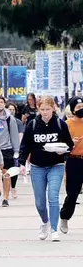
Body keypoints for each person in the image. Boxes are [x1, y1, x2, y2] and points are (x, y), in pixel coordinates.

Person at [19, 96, 74, 242]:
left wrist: (64, 151)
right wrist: (21, 163)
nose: (45, 113)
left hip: (56, 165)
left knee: (53, 197)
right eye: (42, 109)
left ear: (53, 108)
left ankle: (54, 230)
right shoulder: (32, 125)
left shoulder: (60, 124)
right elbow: (25, 146)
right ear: (38, 109)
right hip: (37, 166)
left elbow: (69, 144)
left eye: (48, 109)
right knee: (40, 202)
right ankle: (45, 222)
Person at [0, 95, 20, 207]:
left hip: (7, 149)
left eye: (1, 102)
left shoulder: (10, 118)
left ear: (4, 104)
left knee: (6, 175)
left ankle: (5, 198)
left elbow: (14, 135)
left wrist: (16, 151)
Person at [60, 96, 83, 234]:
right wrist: (70, 143)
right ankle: (65, 216)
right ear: (73, 110)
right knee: (72, 193)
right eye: (78, 108)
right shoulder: (67, 124)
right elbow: (62, 145)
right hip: (74, 161)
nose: (81, 110)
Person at [6, 102, 24, 199]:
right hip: (5, 148)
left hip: (15, 149)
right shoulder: (2, 121)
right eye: (9, 109)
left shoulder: (18, 122)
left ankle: (13, 187)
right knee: (5, 170)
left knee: (14, 169)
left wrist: (18, 147)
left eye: (13, 109)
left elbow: (20, 135)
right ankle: (6, 189)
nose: (11, 111)